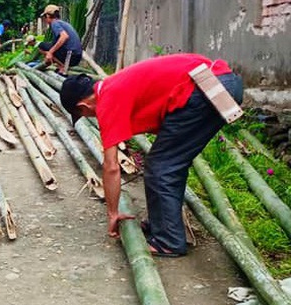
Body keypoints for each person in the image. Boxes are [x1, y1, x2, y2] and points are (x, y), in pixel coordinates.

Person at [59, 54, 243, 258]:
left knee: (161, 167)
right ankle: (162, 224)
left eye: (85, 115)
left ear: (83, 107)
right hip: (217, 80)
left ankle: (169, 241)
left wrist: (112, 213)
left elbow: (111, 167)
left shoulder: (108, 100)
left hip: (204, 90)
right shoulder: (115, 84)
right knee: (168, 162)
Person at [38, 4, 83, 74]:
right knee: (50, 44)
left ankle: (62, 67)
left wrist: (50, 52)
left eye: (45, 17)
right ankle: (60, 65)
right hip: (77, 57)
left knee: (41, 46)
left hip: (71, 57)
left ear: (47, 16)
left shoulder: (54, 23)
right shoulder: (63, 23)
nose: (45, 20)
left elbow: (64, 36)